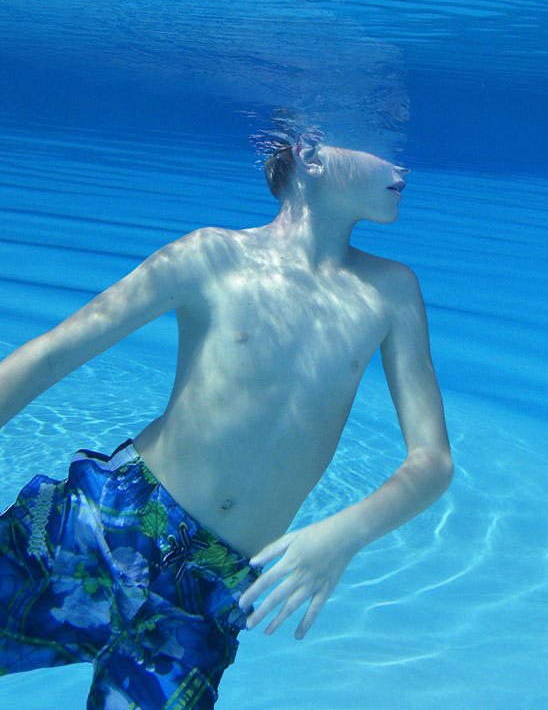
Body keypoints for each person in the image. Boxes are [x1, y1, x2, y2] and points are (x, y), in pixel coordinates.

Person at [0, 136, 454, 709]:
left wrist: (344, 534)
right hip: (108, 524)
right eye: (380, 146)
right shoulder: (211, 254)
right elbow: (52, 354)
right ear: (311, 154)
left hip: (209, 590)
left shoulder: (392, 291)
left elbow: (432, 460)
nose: (400, 162)